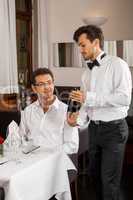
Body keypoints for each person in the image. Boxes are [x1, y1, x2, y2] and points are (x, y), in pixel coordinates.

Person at [70, 25, 132, 200]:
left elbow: (124, 99)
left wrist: (89, 97)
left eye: (83, 45)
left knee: (109, 181)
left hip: (114, 130)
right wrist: (78, 120)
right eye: (79, 46)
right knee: (94, 177)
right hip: (94, 130)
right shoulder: (86, 73)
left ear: (96, 42)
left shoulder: (118, 64)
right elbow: (85, 105)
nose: (80, 50)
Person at [19, 68, 79, 155]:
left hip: (55, 161)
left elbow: (72, 146)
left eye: (49, 82)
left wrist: (49, 155)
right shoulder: (28, 111)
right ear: (34, 88)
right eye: (41, 84)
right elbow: (21, 138)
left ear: (53, 84)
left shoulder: (66, 111)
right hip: (30, 160)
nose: (47, 87)